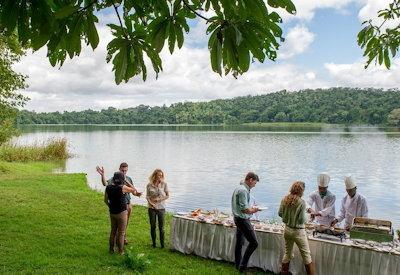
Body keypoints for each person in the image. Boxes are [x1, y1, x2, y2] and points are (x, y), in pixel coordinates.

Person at [96, 162, 140, 244]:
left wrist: (137, 194)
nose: (124, 172)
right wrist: (102, 175)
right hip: (119, 206)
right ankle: (119, 241)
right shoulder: (114, 178)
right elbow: (105, 183)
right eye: (122, 170)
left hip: (128, 203)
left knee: (125, 223)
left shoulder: (129, 179)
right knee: (117, 226)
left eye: (126, 171)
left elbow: (133, 192)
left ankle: (123, 238)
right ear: (119, 169)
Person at [279, 181, 315, 275]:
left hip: (287, 229)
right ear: (301, 190)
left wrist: (288, 217)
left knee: (288, 253)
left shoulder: (284, 199)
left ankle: (284, 273)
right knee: (306, 255)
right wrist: (309, 216)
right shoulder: (301, 202)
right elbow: (301, 220)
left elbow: (280, 213)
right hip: (298, 232)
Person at [104, 171, 140, 254]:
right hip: (122, 213)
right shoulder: (123, 187)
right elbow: (134, 190)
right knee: (121, 233)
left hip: (112, 212)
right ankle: (121, 251)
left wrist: (110, 207)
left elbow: (105, 200)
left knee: (113, 231)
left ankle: (111, 250)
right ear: (122, 179)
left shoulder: (108, 187)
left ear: (114, 179)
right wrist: (127, 182)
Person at [231, 172, 260, 272]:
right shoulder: (243, 190)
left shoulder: (238, 188)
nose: (255, 185)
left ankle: (238, 265)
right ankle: (242, 267)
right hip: (242, 220)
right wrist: (255, 210)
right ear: (250, 180)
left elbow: (242, 207)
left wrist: (250, 209)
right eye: (255, 183)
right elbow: (245, 210)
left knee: (239, 243)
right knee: (254, 243)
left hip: (237, 218)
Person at [146, 169, 169, 248]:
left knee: (161, 227)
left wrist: (159, 199)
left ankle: (162, 245)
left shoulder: (164, 184)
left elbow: (167, 195)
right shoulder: (149, 185)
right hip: (151, 208)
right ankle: (154, 244)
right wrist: (151, 203)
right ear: (154, 175)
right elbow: (147, 196)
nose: (160, 177)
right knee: (153, 226)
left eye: (161, 175)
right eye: (159, 175)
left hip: (161, 208)